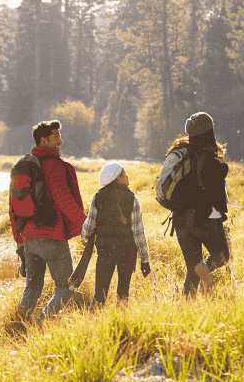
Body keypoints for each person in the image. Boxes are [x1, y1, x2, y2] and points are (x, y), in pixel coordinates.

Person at [13, 120, 86, 323]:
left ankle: (21, 325)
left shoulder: (24, 165)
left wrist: (19, 238)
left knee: (32, 287)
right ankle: (41, 323)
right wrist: (87, 225)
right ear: (43, 140)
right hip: (51, 236)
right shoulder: (52, 165)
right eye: (56, 137)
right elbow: (64, 200)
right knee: (67, 287)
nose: (60, 141)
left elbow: (13, 206)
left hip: (29, 237)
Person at [165, 112, 230, 295]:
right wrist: (222, 168)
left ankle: (187, 309)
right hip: (203, 215)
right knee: (222, 255)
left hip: (179, 218)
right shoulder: (206, 153)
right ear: (209, 130)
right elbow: (206, 182)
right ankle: (206, 275)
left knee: (193, 269)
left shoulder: (180, 151)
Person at [80, 162, 151, 308]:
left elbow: (88, 228)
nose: (127, 176)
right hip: (128, 251)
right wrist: (145, 260)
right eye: (124, 174)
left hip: (105, 251)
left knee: (100, 295)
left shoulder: (98, 197)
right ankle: (120, 325)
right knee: (123, 295)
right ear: (118, 178)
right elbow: (139, 233)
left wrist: (86, 237)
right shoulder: (132, 198)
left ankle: (93, 322)